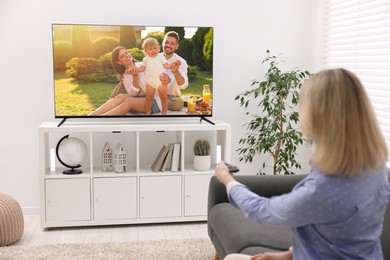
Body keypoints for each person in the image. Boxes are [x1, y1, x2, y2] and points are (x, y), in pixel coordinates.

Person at [216, 68, 390, 260]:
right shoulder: (377, 169)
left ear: (318, 115)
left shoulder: (322, 189)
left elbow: (260, 210)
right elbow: (341, 234)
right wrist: (288, 255)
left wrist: (227, 180)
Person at [88, 46, 163, 116]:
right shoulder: (124, 75)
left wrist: (136, 75)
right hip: (140, 98)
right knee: (120, 96)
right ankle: (92, 115)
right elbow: (133, 93)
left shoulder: (142, 66)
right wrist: (135, 78)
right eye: (122, 56)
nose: (126, 56)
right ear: (119, 62)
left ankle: (101, 118)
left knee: (129, 101)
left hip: (154, 100)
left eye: (126, 53)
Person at [137, 38, 176, 115]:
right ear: (146, 51)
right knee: (149, 98)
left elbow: (166, 65)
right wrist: (136, 70)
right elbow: (142, 68)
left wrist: (172, 65)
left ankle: (164, 112)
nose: (153, 51)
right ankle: (148, 112)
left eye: (155, 48)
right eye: (150, 49)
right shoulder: (146, 59)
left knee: (164, 97)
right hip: (150, 82)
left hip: (160, 81)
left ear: (158, 49)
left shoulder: (161, 57)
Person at [160, 31, 189, 111]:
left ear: (176, 46)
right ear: (163, 43)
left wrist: (175, 72)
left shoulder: (181, 62)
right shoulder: (155, 57)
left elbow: (183, 85)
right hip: (154, 93)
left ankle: (155, 103)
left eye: (172, 43)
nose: (168, 45)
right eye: (166, 42)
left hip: (170, 97)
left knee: (178, 104)